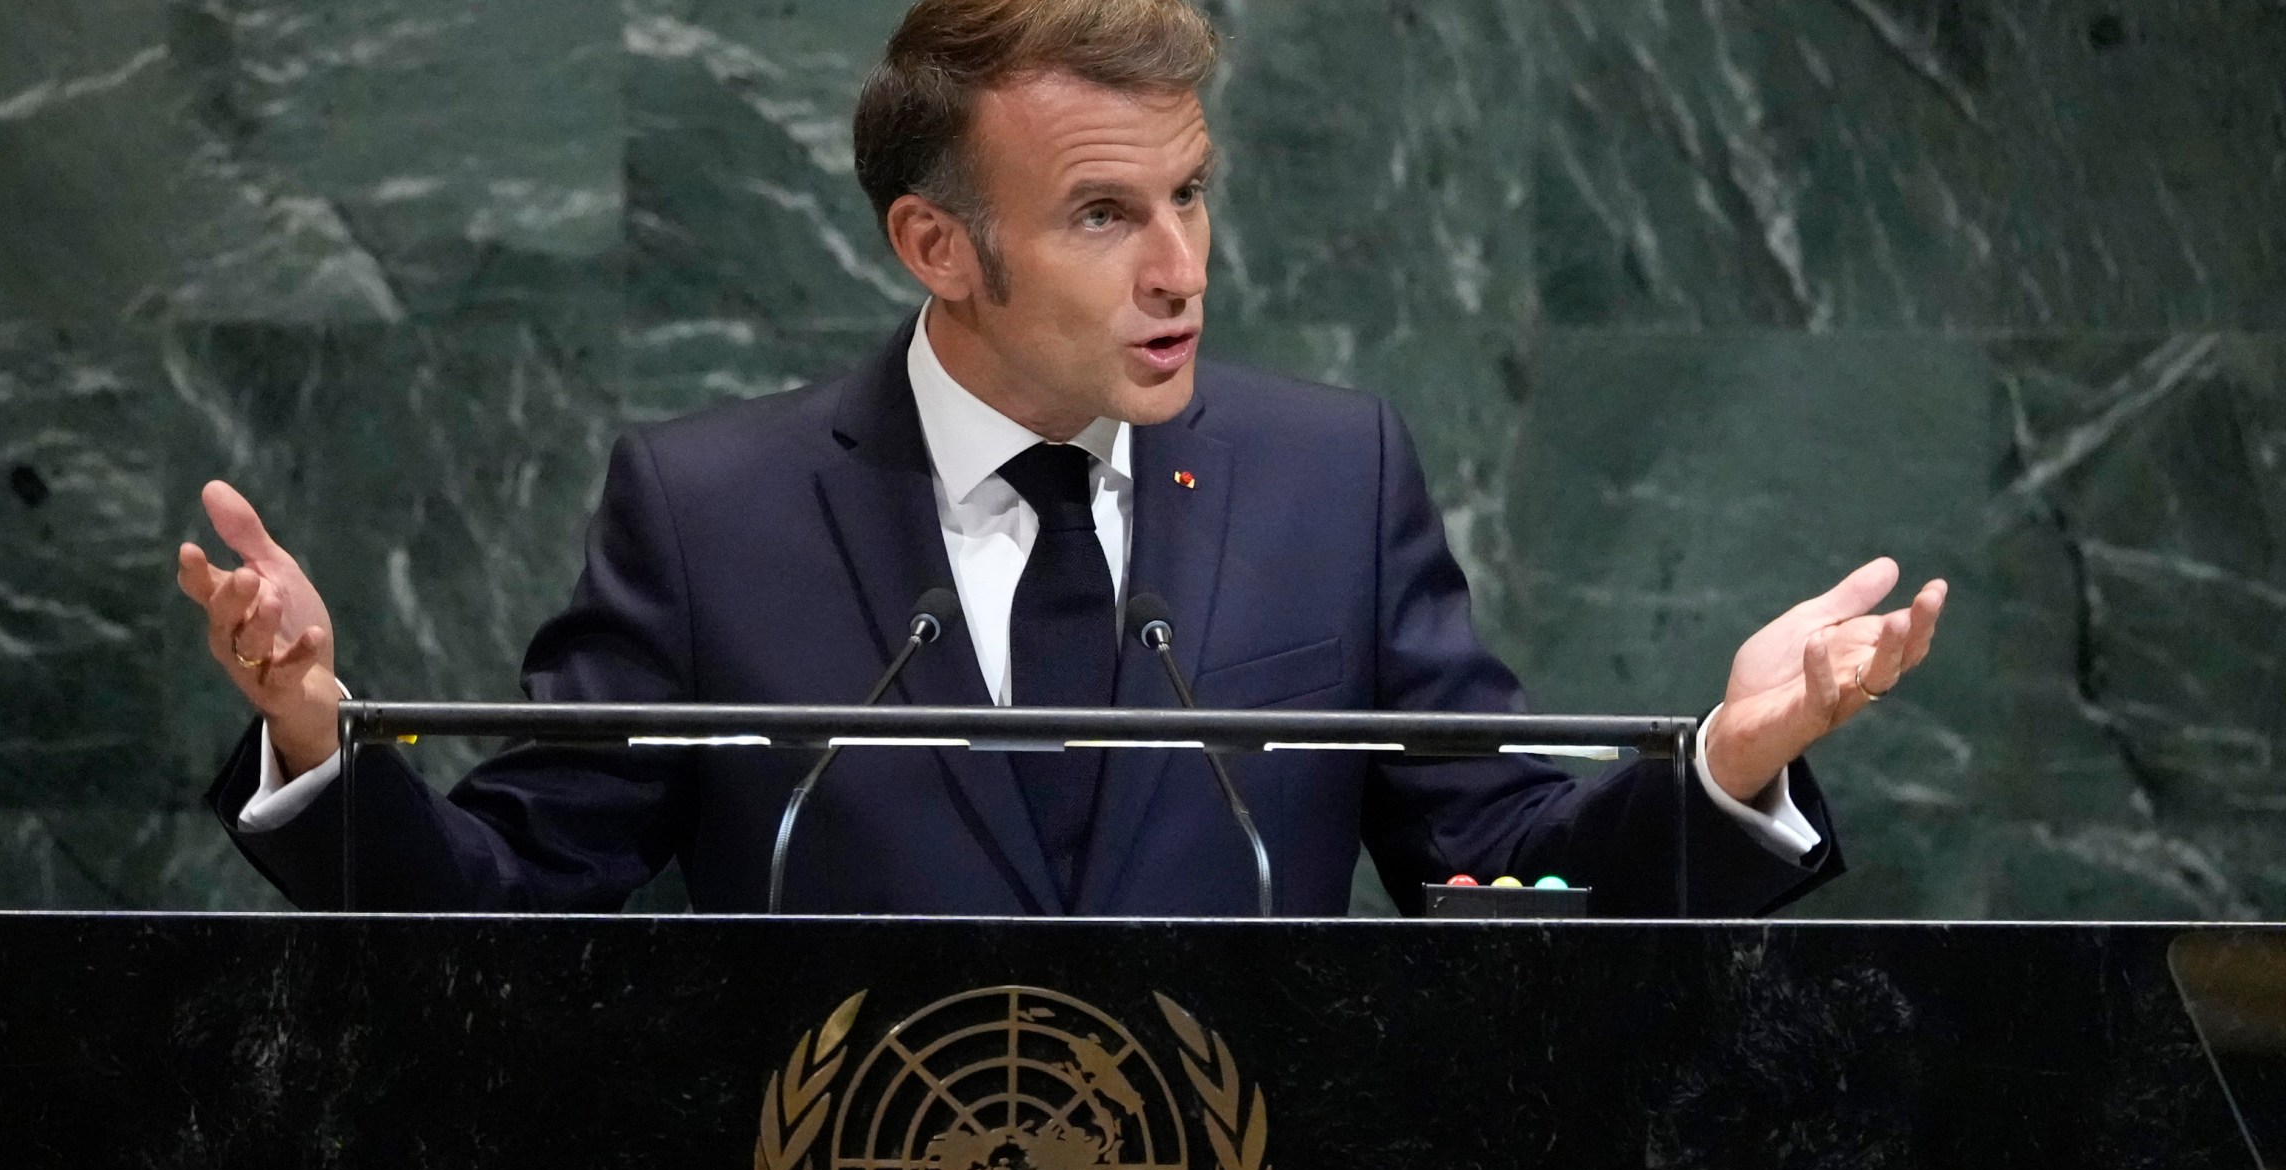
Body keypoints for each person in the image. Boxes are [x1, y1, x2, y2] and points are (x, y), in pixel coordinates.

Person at [177, 0, 1944, 917]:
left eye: (1189, 194)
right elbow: (512, 909)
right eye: (1105, 213)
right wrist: (321, 749)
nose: (1180, 264)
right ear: (937, 248)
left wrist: (1725, 764)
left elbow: (1502, 879)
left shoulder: (1332, 481)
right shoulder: (711, 515)